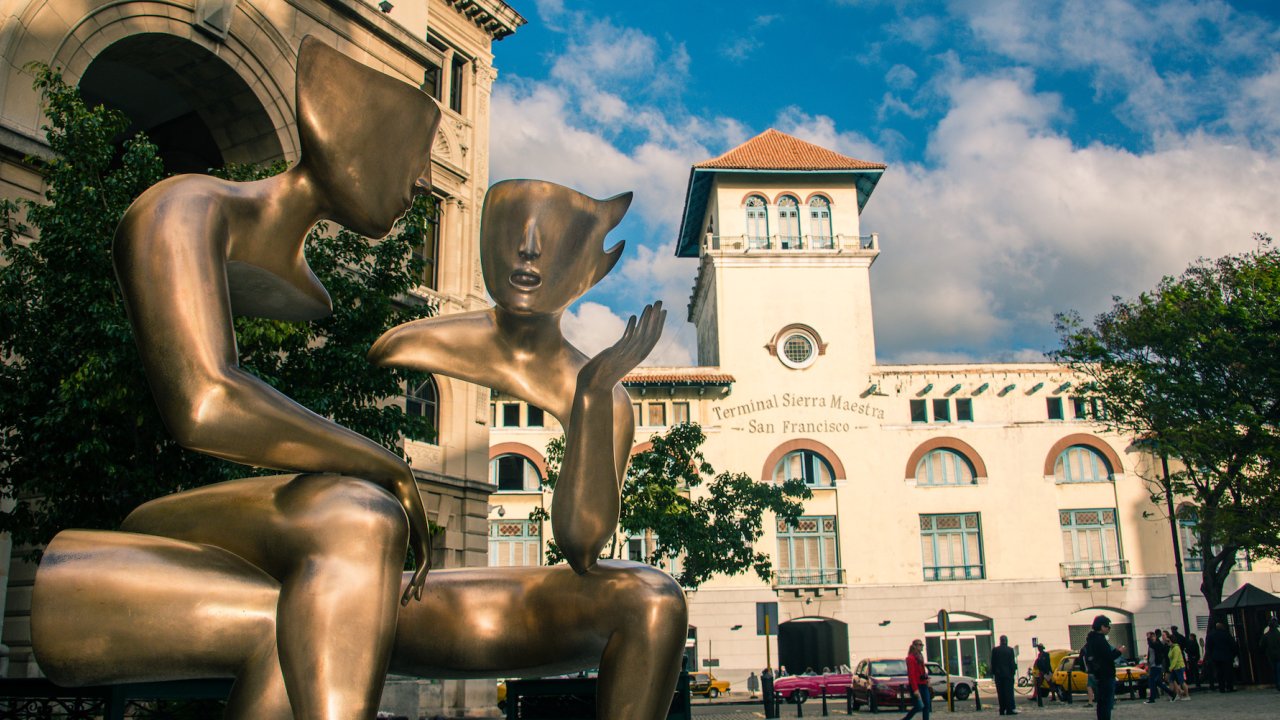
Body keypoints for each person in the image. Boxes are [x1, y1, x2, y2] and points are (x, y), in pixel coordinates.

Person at [32, 36, 441, 720]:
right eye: (413, 149)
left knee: (316, 600)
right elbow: (204, 401)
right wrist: (389, 468)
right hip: (156, 532)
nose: (424, 180)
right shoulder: (184, 209)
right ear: (345, 134)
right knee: (360, 512)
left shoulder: (309, 294)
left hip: (242, 538)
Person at [1084, 614, 1126, 720]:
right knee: (1106, 702)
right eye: (1107, 626)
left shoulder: (1091, 640)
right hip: (1105, 674)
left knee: (1101, 702)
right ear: (1102, 627)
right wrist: (1119, 651)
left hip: (1097, 673)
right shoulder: (1100, 640)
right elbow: (1108, 657)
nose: (1109, 629)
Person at [901, 639, 931, 720]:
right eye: (920, 645)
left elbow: (922, 671)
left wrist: (926, 678)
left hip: (923, 684)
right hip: (917, 685)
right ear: (915, 646)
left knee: (927, 705)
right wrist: (915, 689)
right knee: (919, 706)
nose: (922, 646)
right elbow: (912, 675)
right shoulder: (910, 658)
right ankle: (906, 719)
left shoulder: (920, 656)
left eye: (922, 645)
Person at [1205, 621, 1238, 692]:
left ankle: (1221, 688)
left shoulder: (1211, 635)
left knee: (1219, 673)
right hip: (1227, 656)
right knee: (1228, 672)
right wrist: (1233, 655)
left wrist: (1211, 656)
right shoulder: (1226, 634)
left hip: (1216, 657)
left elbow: (1209, 647)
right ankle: (1230, 687)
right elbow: (1233, 645)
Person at [989, 635, 1018, 715]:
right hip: (1008, 675)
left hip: (998, 675)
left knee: (1000, 693)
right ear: (1006, 641)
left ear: (1000, 641)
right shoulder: (1010, 650)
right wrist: (1013, 673)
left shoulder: (995, 650)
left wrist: (994, 673)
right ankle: (1009, 709)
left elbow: (993, 663)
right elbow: (1012, 663)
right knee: (1008, 693)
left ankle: (1002, 709)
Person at [1144, 630, 1175, 703]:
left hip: (1156, 665)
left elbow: (1153, 645)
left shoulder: (1157, 644)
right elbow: (1150, 653)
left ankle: (1152, 698)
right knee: (1158, 682)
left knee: (1152, 681)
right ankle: (1171, 693)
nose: (1152, 638)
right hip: (1153, 665)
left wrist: (1148, 638)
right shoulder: (1153, 644)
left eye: (1153, 637)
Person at [1165, 631, 1189, 700]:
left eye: (1168, 641)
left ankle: (1187, 695)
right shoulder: (1171, 648)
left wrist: (1171, 668)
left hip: (1179, 667)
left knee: (1181, 681)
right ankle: (1175, 694)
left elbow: (1175, 659)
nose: (1167, 642)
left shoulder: (1176, 648)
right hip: (1175, 667)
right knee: (1171, 680)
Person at [1260, 616, 1280, 692]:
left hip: (1270, 655)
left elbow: (1262, 645)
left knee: (1274, 670)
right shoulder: (1279, 633)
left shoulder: (1266, 634)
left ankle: (1277, 684)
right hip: (1279, 654)